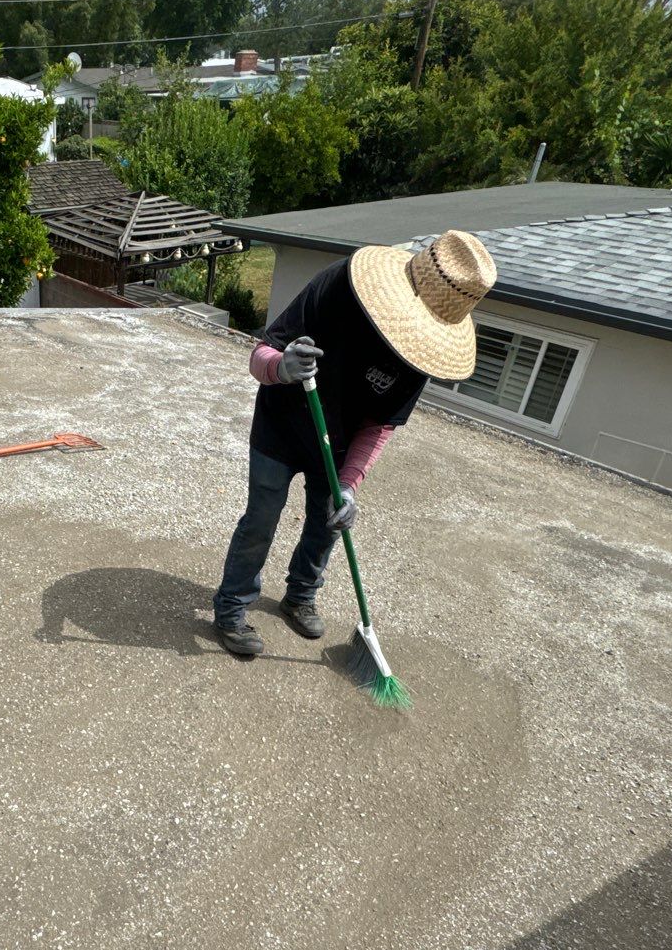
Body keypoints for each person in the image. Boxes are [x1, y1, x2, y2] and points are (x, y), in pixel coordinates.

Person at [213, 230, 497, 657]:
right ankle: (232, 608)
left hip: (339, 443)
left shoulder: (421, 353)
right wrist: (283, 367)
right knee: (260, 520)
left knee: (328, 522)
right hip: (281, 424)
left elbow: (380, 425)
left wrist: (350, 485)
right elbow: (261, 355)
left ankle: (300, 595)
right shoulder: (338, 286)